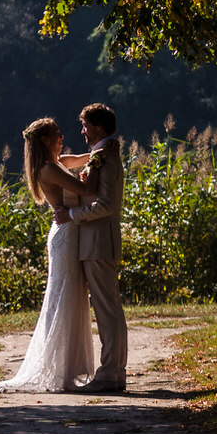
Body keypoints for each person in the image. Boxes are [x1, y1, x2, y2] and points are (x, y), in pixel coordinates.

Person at [0, 117, 100, 393]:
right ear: (45, 140)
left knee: (70, 295)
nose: (61, 137)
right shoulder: (48, 169)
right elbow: (88, 190)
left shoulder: (56, 163)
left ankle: (67, 365)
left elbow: (83, 158)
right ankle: (57, 366)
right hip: (65, 236)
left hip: (68, 233)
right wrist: (94, 167)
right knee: (63, 295)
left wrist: (100, 153)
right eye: (56, 134)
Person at [55, 103, 127, 392]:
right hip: (94, 243)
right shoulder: (102, 154)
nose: (82, 131)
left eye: (85, 125)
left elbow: (106, 205)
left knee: (108, 310)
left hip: (99, 243)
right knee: (106, 309)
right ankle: (113, 373)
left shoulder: (107, 159)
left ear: (98, 126)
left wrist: (71, 215)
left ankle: (111, 374)